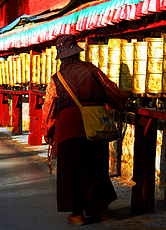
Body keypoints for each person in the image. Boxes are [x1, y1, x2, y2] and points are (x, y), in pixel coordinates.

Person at [41, 35, 127, 226]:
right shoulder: (91, 70)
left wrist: (47, 130)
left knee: (71, 170)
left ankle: (77, 213)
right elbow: (111, 91)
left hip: (68, 127)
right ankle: (93, 210)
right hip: (94, 122)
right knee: (94, 166)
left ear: (62, 58)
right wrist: (120, 103)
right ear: (77, 53)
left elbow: (49, 107)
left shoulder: (57, 78)